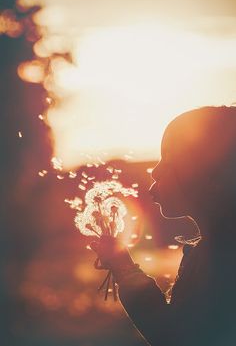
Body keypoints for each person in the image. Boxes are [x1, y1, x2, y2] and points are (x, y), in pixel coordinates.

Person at [91, 106, 236, 346]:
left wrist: (126, 272)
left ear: (211, 174)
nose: (155, 171)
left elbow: (173, 336)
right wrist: (123, 267)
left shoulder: (222, 260)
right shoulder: (213, 251)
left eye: (170, 157)